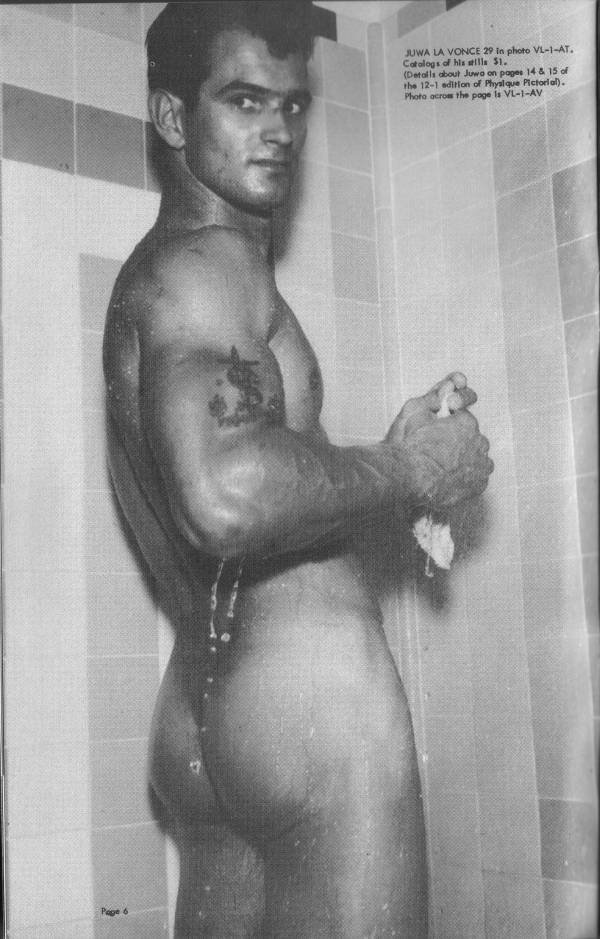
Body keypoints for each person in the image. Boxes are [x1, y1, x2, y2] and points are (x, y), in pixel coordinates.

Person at [103, 2, 493, 934]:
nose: (279, 129)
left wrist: (378, 459)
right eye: (244, 101)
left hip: (201, 720)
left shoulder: (162, 276)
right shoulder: (206, 267)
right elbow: (224, 496)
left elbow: (249, 473)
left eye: (292, 104)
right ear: (172, 118)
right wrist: (409, 467)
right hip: (313, 715)